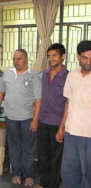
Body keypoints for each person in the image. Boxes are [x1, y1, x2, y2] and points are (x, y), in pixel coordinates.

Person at [0, 49, 42, 187]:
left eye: (19, 58)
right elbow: (0, 92)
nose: (16, 61)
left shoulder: (33, 76)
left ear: (26, 60)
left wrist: (35, 119)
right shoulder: (7, 74)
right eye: (14, 59)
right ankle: (17, 173)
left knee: (28, 148)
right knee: (14, 146)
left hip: (27, 118)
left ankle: (29, 175)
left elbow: (38, 99)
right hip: (10, 117)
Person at [56, 40, 91, 188]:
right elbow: (68, 103)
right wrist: (61, 127)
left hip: (88, 134)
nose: (88, 61)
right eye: (85, 57)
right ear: (78, 56)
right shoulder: (72, 76)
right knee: (69, 170)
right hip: (71, 132)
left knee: (88, 172)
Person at [34, 43, 69, 188]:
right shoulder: (45, 74)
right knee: (43, 155)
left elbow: (68, 103)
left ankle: (53, 185)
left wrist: (62, 127)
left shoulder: (68, 76)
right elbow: (40, 97)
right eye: (49, 56)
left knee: (56, 157)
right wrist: (35, 115)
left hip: (57, 123)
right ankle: (43, 183)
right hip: (42, 120)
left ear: (63, 56)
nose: (51, 58)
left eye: (54, 55)